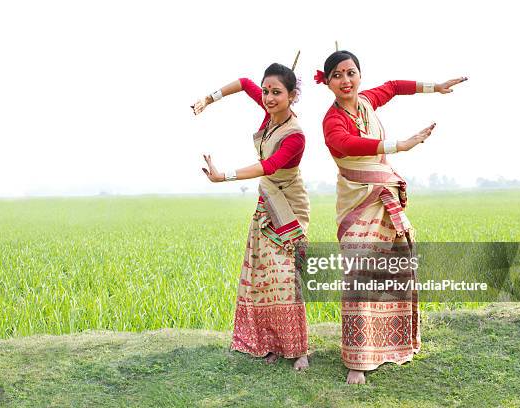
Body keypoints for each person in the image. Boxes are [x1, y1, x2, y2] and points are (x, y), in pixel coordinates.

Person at [314, 50, 467, 384]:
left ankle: (390, 346)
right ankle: (358, 359)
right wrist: (401, 144)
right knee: (358, 274)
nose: (345, 80)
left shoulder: (367, 100)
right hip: (357, 203)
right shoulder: (331, 119)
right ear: (327, 82)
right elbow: (346, 144)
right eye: (337, 75)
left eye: (350, 72)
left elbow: (395, 86)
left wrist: (435, 86)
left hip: (383, 197)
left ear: (359, 75)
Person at [192, 61, 310, 370]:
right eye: (267, 92)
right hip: (266, 200)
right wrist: (209, 98)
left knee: (286, 276)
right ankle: (271, 343)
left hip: (288, 204)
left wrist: (223, 176)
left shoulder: (295, 135)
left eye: (277, 93)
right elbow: (245, 82)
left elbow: (268, 167)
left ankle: (299, 350)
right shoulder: (269, 112)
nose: (269, 98)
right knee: (264, 274)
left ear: (293, 95)